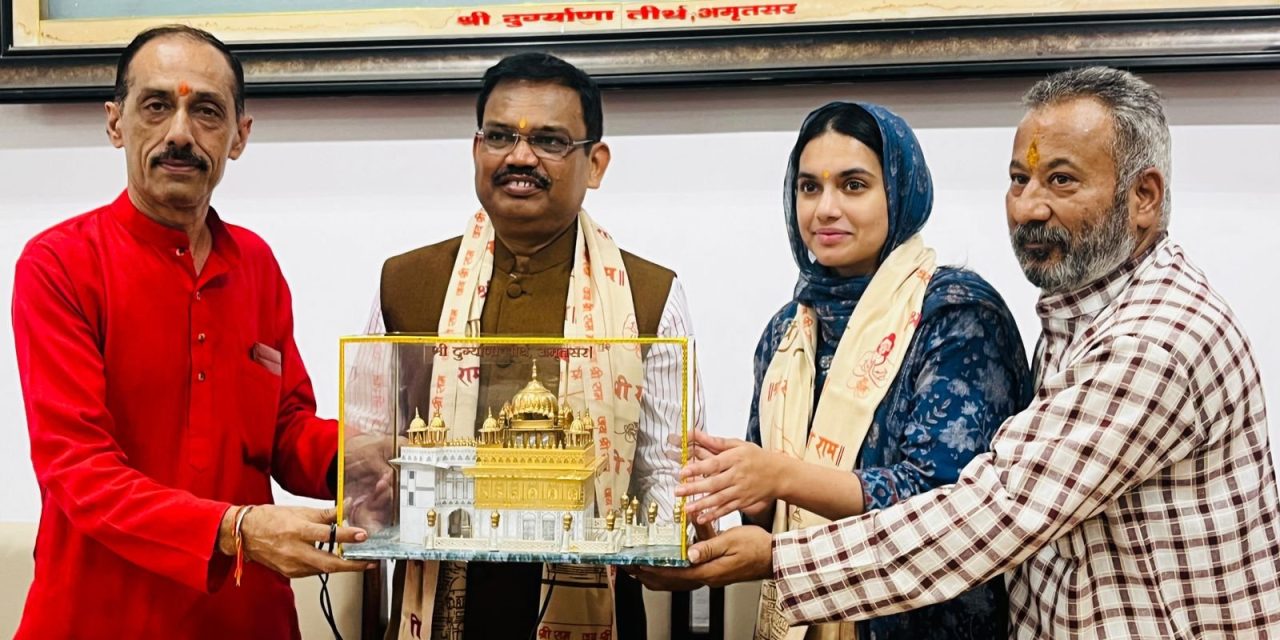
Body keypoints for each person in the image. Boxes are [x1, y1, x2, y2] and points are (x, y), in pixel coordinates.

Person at [636, 67, 1280, 638]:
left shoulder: (1144, 338)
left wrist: (776, 550)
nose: (1029, 207)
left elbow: (987, 510)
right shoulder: (792, 328)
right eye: (1018, 178)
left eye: (1060, 180)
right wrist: (696, 515)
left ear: (1144, 198)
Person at [10, 25, 371, 639]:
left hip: (244, 618)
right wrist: (237, 531)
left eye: (206, 110)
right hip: (99, 616)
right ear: (114, 123)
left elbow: (284, 431)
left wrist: (374, 459)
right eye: (156, 106)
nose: (180, 133)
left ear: (239, 137)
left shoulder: (255, 264)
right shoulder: (59, 264)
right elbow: (79, 472)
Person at [632, 102, 1031, 639]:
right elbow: (771, 515)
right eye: (809, 188)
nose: (825, 209)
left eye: (854, 185)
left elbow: (949, 501)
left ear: (900, 190)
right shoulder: (788, 332)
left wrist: (781, 476)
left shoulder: (955, 315)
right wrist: (734, 508)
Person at [364, 52, 704, 639]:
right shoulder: (405, 282)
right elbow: (366, 456)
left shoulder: (651, 296)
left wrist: (679, 537)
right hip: (439, 608)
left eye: (549, 140)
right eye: (500, 136)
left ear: (595, 163)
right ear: (476, 150)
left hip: (597, 610)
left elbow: (667, 481)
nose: (520, 156)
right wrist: (374, 491)